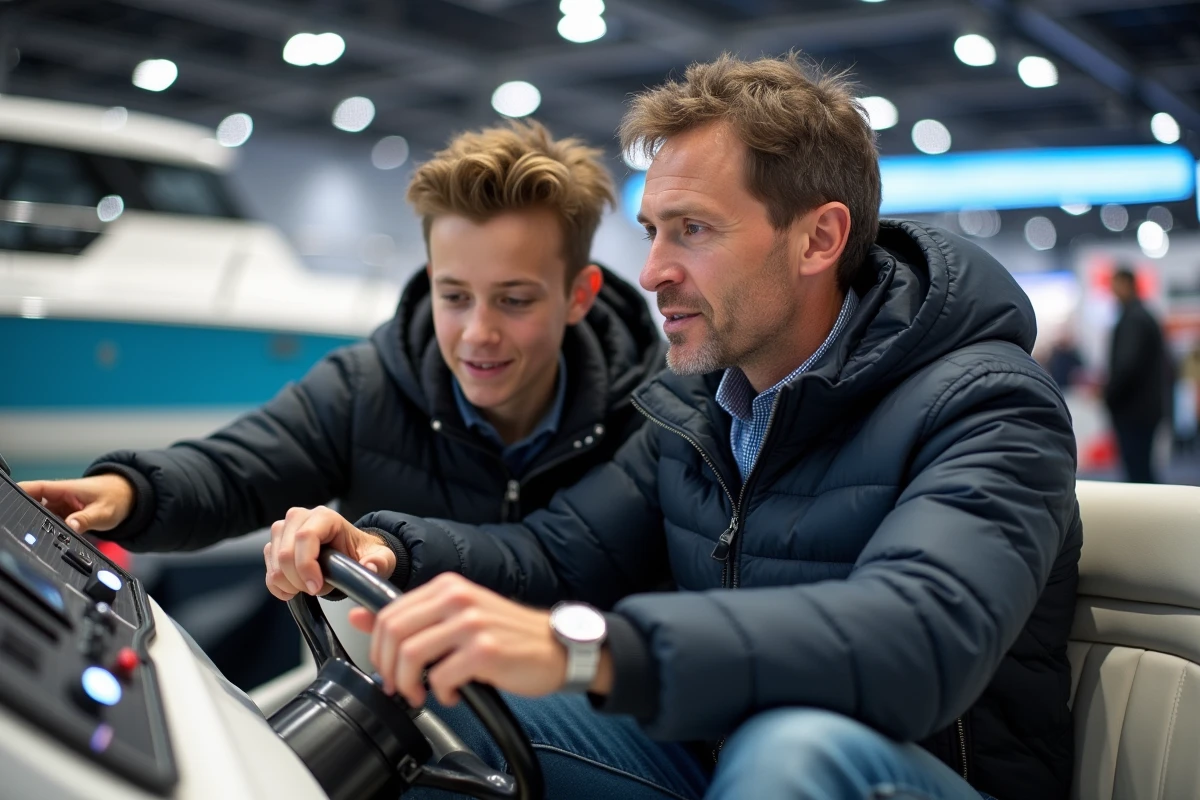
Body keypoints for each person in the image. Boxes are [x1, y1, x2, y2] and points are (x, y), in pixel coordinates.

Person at [266, 53, 1080, 800]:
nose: (653, 271)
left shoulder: (990, 404)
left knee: (794, 749)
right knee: (433, 695)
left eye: (692, 230)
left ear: (819, 239)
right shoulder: (696, 404)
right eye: (653, 230)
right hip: (719, 764)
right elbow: (559, 554)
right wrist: (389, 548)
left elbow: (915, 642)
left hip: (893, 777)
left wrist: (585, 647)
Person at [19, 120, 666, 565]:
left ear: (578, 295)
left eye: (515, 300)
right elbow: (235, 471)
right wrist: (127, 492)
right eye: (454, 296)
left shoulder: (655, 419)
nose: (477, 333)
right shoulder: (364, 388)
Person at [1104, 267, 1167, 483]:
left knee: (1139, 474)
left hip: (1135, 410)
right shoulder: (1140, 315)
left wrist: (1109, 394)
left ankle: (1154, 506)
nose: (1112, 291)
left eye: (1115, 284)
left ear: (1126, 284)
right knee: (1141, 471)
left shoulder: (1134, 319)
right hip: (1142, 408)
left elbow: (1127, 366)